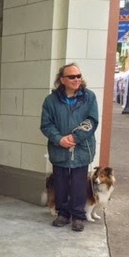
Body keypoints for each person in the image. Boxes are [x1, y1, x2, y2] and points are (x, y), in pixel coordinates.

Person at [40, 63, 99, 232]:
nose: (76, 79)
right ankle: (63, 214)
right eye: (72, 77)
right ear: (62, 80)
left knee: (80, 184)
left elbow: (92, 121)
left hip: (81, 149)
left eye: (78, 76)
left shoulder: (89, 97)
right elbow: (46, 124)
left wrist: (75, 137)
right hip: (59, 149)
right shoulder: (50, 101)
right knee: (61, 182)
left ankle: (78, 216)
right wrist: (59, 139)